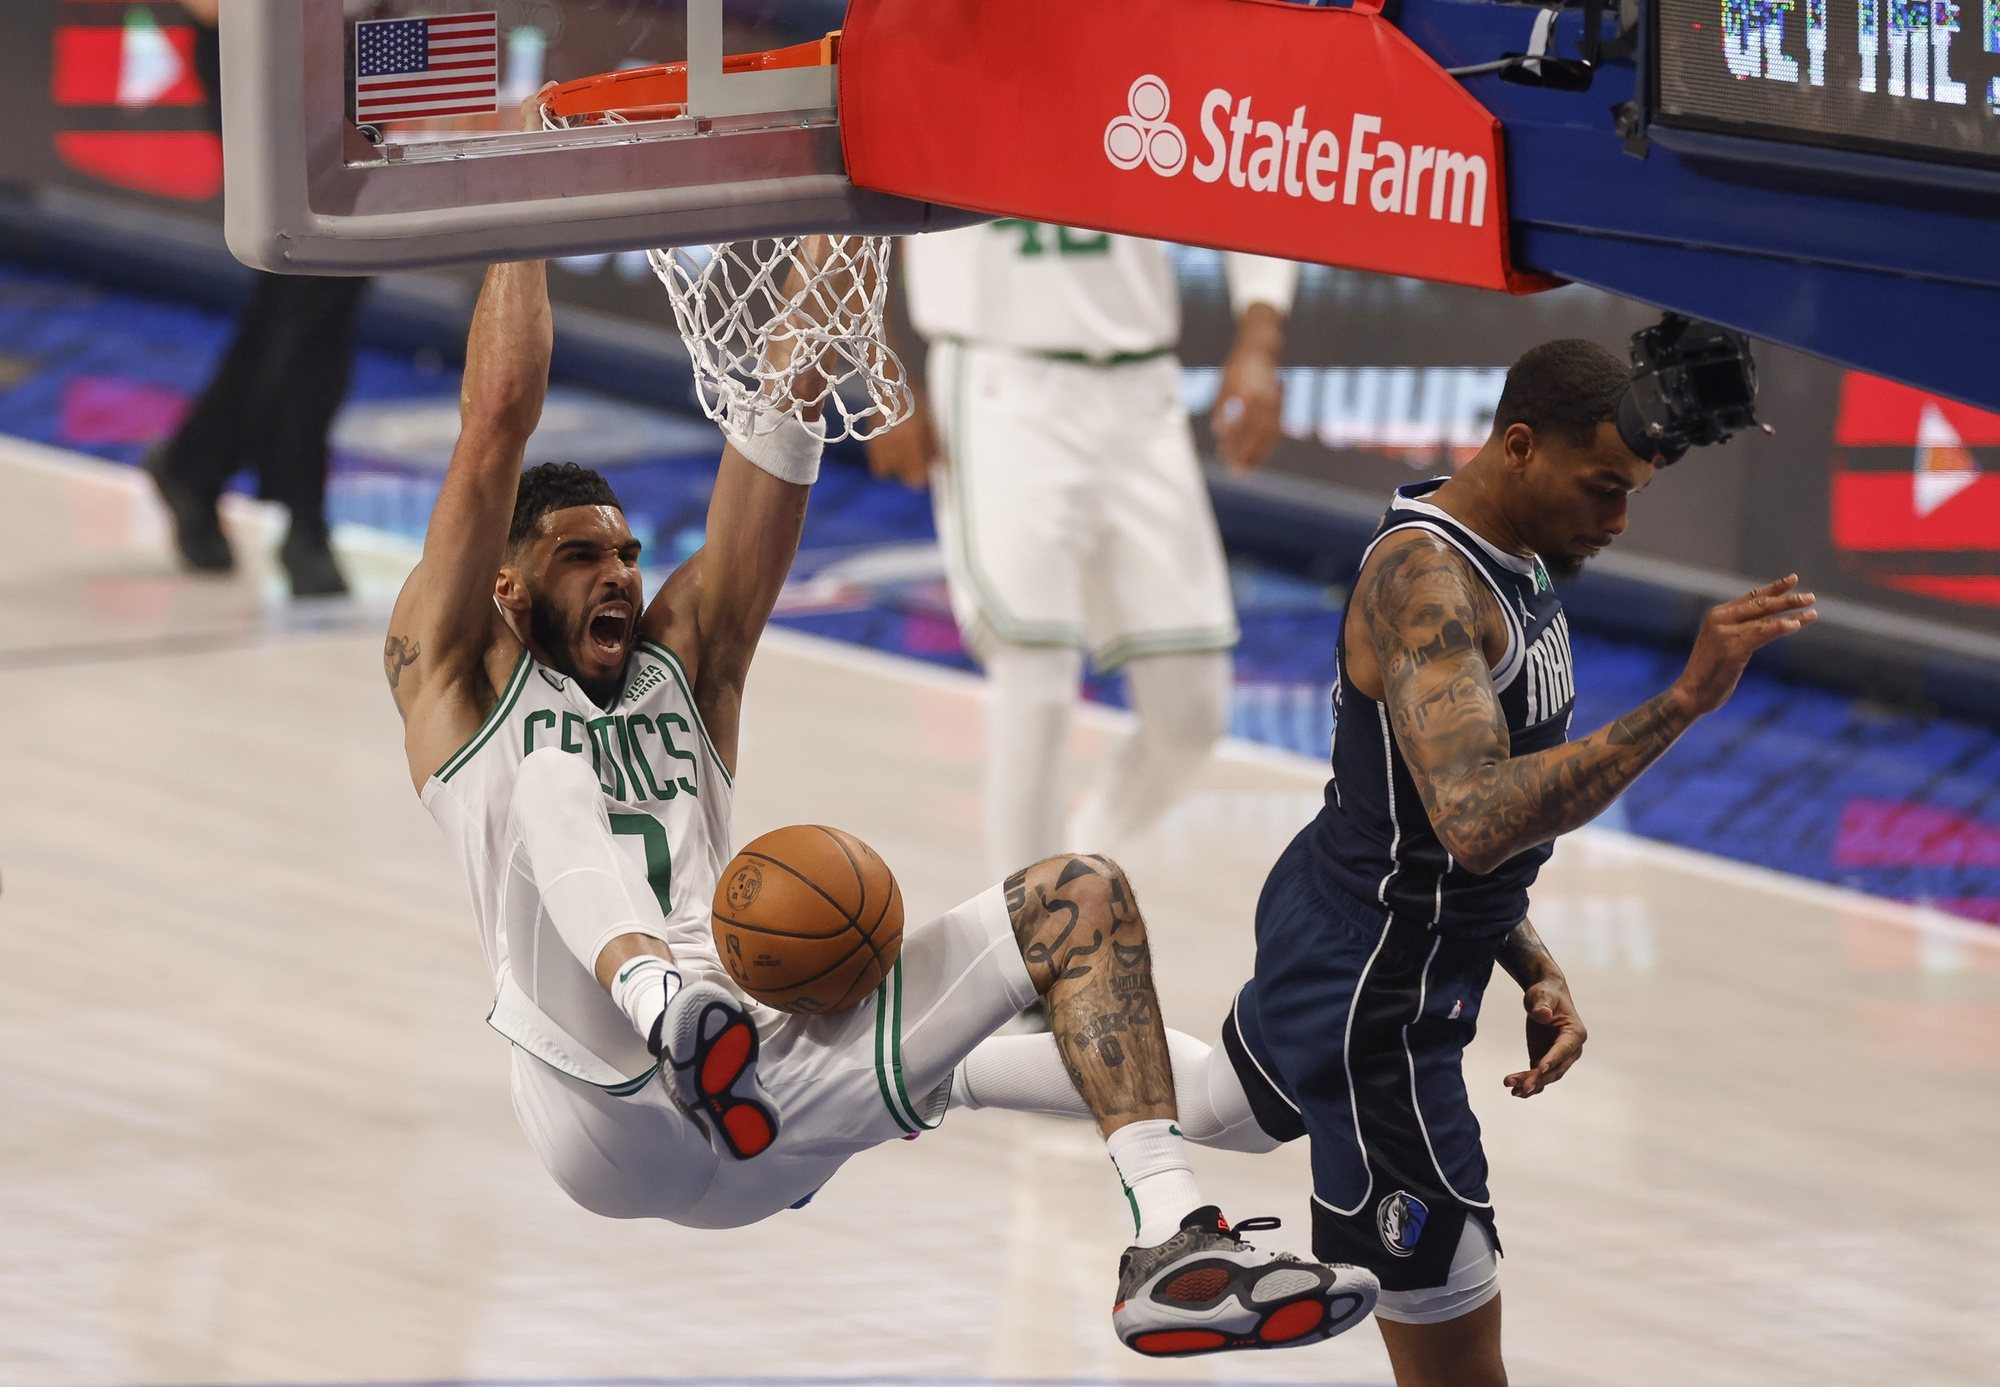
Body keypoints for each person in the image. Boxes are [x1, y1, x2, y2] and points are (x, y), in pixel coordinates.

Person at [383, 229, 1380, 1356]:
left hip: (762, 1098)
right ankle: (665, 1007)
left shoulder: (687, 665)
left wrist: (838, 213)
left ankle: (1181, 1225)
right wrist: (516, 215)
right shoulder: (461, 690)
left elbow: (786, 399)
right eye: (579, 557)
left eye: (624, 552)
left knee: (1077, 900)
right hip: (599, 1102)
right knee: (554, 775)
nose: (618, 572)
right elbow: (495, 421)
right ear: (505, 588)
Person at [940, 337, 1818, 1385]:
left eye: (1628, 492)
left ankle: (912, 1063)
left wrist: (1525, 954)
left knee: (1222, 1097)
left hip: (1358, 921)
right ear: (1519, 446)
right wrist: (1682, 701)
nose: (1617, 521)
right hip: (1377, 995)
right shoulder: (1424, 585)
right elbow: (1477, 820)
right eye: (1601, 489)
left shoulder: (1519, 558)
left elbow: (1463, 812)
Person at [866, 224, 1297, 878]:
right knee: (1034, 681)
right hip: (999, 381)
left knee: (1192, 710)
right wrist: (882, 372)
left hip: (1141, 388)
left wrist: (1260, 337)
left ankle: (1073, 885)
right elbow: (861, 212)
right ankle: (1026, 952)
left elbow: (1248, 158)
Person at [146, 0, 367, 597]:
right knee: (313, 279)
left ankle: (200, 462)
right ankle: (302, 518)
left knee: (320, 281)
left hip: (361, 47)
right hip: (261, 54)